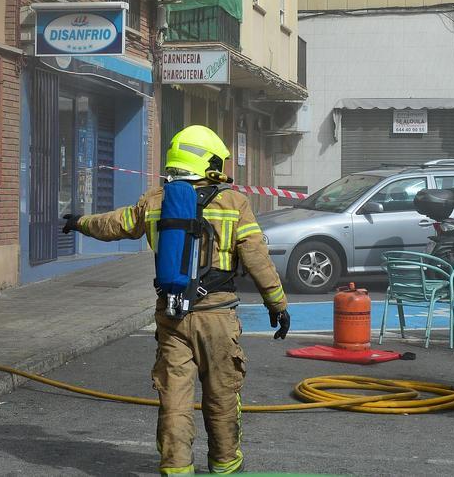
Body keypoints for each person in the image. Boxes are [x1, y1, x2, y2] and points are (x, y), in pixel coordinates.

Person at [63, 125, 290, 475]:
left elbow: (114, 224)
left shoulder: (156, 201)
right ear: (208, 162)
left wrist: (79, 222)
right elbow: (256, 257)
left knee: (174, 403)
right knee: (222, 399)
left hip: (172, 318)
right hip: (217, 319)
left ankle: (176, 470)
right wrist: (277, 304)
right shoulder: (233, 203)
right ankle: (225, 467)